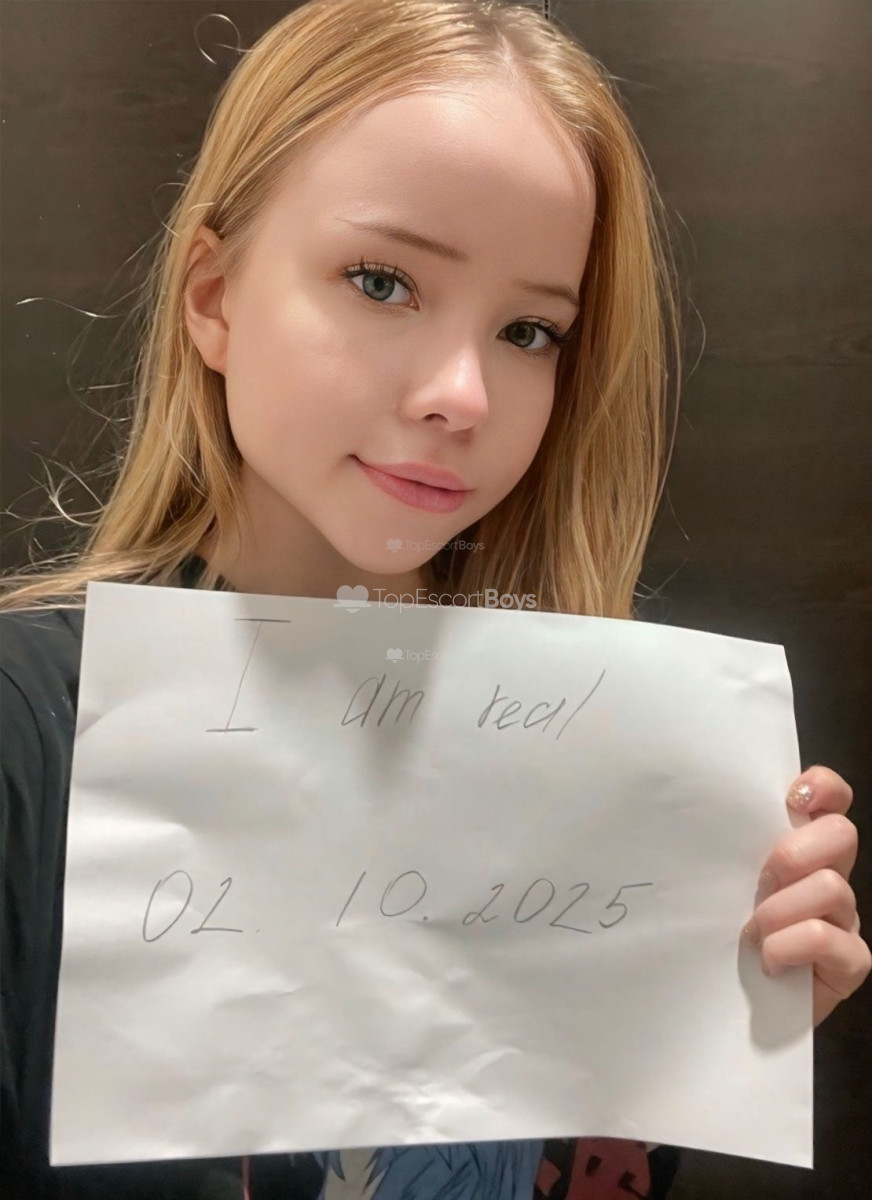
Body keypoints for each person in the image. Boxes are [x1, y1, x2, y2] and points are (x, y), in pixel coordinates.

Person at [1, 1, 868, 1197]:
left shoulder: (606, 771)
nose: (462, 392)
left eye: (528, 330)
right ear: (214, 297)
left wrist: (707, 1029)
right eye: (381, 281)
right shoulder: (29, 737)